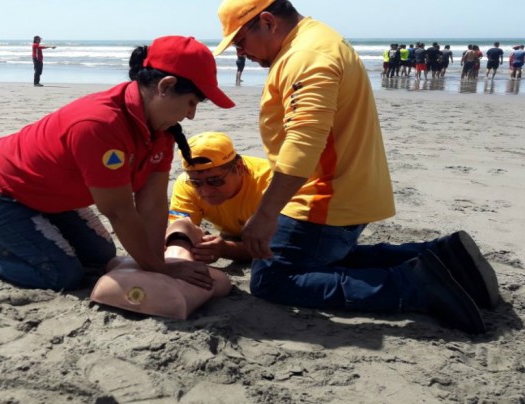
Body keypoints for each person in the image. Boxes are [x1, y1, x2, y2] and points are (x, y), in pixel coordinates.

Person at [214, 0, 500, 334]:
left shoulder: (306, 56)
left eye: (240, 41)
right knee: (320, 261)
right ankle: (445, 256)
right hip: (346, 189)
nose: (241, 51)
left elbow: (303, 144)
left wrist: (265, 215)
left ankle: (417, 286)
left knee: (273, 279)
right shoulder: (317, 40)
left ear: (267, 21)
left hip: (324, 197)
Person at [0, 36, 235, 292]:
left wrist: (156, 261)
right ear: (165, 86)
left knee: (100, 256)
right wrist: (160, 267)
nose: (191, 114)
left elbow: (151, 203)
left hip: (50, 196)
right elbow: (120, 211)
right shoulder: (100, 125)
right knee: (61, 275)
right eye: (192, 102)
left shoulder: (162, 129)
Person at [91, 217, 232, 320]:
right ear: (197, 243)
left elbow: (112, 264)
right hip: (170, 299)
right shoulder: (201, 271)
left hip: (109, 289)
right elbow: (223, 285)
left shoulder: (131, 261)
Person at [169, 132, 271, 263]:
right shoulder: (185, 184)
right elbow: (179, 231)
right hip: (232, 235)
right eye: (196, 183)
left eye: (215, 181)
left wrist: (226, 249)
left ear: (239, 167)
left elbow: (280, 246)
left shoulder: (271, 183)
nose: (205, 192)